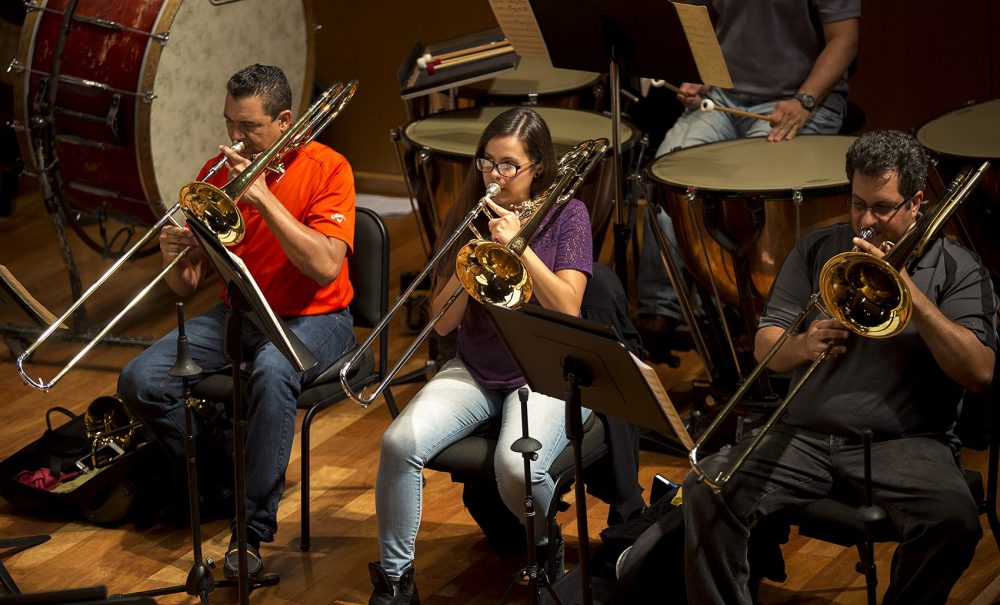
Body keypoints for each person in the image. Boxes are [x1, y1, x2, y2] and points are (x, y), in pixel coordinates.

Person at [681, 129, 997, 604]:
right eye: (857, 203)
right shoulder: (817, 249)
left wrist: (915, 299)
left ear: (916, 202)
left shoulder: (959, 268)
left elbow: (980, 372)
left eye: (882, 207)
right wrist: (804, 344)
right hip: (803, 434)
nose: (866, 222)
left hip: (904, 442)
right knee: (705, 488)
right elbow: (767, 343)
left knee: (953, 521)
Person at [118, 64, 357, 579]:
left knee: (274, 373)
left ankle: (249, 530)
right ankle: (222, 479)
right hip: (240, 311)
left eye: (248, 126)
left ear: (285, 120)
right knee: (140, 380)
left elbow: (325, 266)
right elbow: (186, 287)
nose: (234, 137)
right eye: (229, 122)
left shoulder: (329, 168)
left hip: (316, 317)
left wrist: (266, 200)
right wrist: (174, 257)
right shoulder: (218, 172)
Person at [367, 107, 593, 604]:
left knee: (519, 470)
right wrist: (474, 259)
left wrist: (518, 247)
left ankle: (545, 543)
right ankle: (396, 581)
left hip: (544, 371)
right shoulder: (468, 211)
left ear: (538, 167)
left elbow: (569, 308)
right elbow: (442, 324)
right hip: (476, 368)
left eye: (509, 165)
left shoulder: (568, 215)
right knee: (398, 443)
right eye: (487, 162)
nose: (495, 175)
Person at [636, 0, 861, 359]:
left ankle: (761, 319)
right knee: (665, 175)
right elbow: (707, 20)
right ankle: (661, 308)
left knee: (753, 192)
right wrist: (700, 73)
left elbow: (844, 39)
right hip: (724, 95)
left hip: (799, 100)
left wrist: (804, 99)